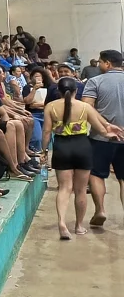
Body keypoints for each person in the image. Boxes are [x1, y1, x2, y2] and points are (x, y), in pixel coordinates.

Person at [42, 79, 123, 240]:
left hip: (61, 148)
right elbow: (101, 129)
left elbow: (46, 131)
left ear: (58, 91)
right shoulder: (84, 107)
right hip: (82, 147)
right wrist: (109, 132)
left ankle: (62, 223)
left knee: (64, 188)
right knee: (80, 191)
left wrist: (43, 151)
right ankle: (79, 226)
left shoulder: (50, 107)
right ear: (76, 91)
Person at [81, 50, 124, 228]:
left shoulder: (95, 81)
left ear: (107, 63)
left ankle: (100, 210)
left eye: (100, 62)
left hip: (101, 138)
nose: (98, 65)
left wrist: (105, 125)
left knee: (96, 174)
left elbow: (86, 107)